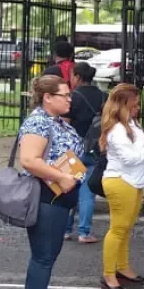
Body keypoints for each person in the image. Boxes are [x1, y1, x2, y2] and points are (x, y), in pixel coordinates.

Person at [18, 75, 85, 289]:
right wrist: (61, 177)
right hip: (48, 195)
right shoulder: (38, 122)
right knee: (44, 254)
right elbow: (29, 160)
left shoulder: (53, 121)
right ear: (47, 97)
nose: (70, 99)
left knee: (46, 252)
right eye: (65, 95)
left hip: (59, 195)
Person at [98, 84, 144, 289]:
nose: (138, 108)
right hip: (121, 180)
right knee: (118, 229)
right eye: (135, 105)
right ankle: (109, 274)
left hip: (133, 181)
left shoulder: (130, 124)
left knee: (125, 228)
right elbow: (130, 158)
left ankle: (121, 267)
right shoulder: (117, 129)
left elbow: (142, 141)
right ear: (123, 105)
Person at [63, 62, 107, 243]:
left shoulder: (73, 98)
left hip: (74, 150)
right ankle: (84, 232)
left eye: (72, 76)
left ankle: (64, 230)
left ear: (78, 77)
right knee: (88, 192)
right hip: (95, 150)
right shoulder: (105, 97)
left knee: (67, 188)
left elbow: (65, 124)